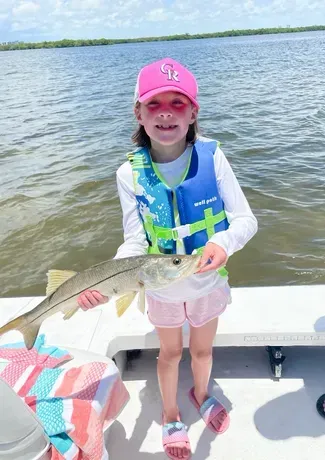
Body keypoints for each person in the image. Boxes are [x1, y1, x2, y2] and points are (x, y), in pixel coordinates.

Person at [77, 58, 258, 459]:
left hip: (207, 282)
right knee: (170, 353)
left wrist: (224, 242)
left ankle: (201, 393)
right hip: (159, 289)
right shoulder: (128, 174)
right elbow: (133, 243)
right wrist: (103, 284)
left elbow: (246, 220)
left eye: (178, 103)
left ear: (194, 112)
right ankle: (172, 415)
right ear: (138, 113)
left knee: (203, 351)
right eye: (154, 103)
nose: (165, 112)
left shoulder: (213, 159)